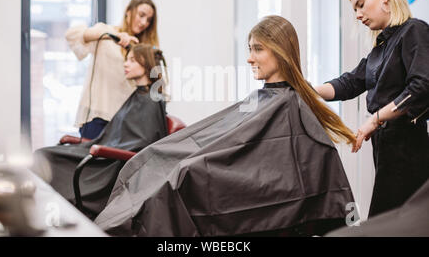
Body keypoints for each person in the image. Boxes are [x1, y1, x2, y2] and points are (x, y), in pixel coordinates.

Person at [94, 15, 356, 237]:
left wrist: (192, 165)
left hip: (250, 197)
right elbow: (221, 135)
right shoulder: (261, 100)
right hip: (216, 172)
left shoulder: (290, 106)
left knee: (178, 178)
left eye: (258, 49)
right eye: (249, 49)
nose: (250, 58)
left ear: (280, 50)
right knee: (147, 161)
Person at [315, 0, 429, 218]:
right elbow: (349, 83)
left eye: (361, 5)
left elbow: (421, 88)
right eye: (355, 9)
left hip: (409, 149)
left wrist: (374, 119)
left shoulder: (414, 31)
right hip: (386, 149)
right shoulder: (381, 48)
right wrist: (308, 90)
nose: (358, 15)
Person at [33, 44, 168, 218]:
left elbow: (143, 146)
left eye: (132, 60)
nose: (126, 64)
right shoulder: (140, 94)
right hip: (105, 152)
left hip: (111, 164)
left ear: (146, 63)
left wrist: (102, 149)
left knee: (45, 156)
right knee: (44, 154)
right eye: (126, 59)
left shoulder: (151, 100)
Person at [66, 0, 159, 139]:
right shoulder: (104, 34)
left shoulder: (144, 50)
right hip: (98, 115)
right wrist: (114, 35)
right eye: (141, 15)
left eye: (148, 20)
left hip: (127, 122)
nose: (144, 22)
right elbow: (73, 35)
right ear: (128, 11)